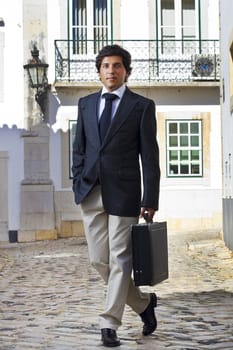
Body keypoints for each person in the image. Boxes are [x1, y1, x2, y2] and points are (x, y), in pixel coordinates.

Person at [72, 44, 160, 347]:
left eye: (117, 66)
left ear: (126, 71)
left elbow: (150, 157)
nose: (111, 71)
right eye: (106, 66)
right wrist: (77, 183)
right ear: (99, 70)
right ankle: (144, 304)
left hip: (124, 194)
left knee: (120, 259)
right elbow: (79, 149)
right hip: (90, 191)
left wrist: (150, 199)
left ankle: (109, 323)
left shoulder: (141, 106)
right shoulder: (85, 104)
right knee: (99, 261)